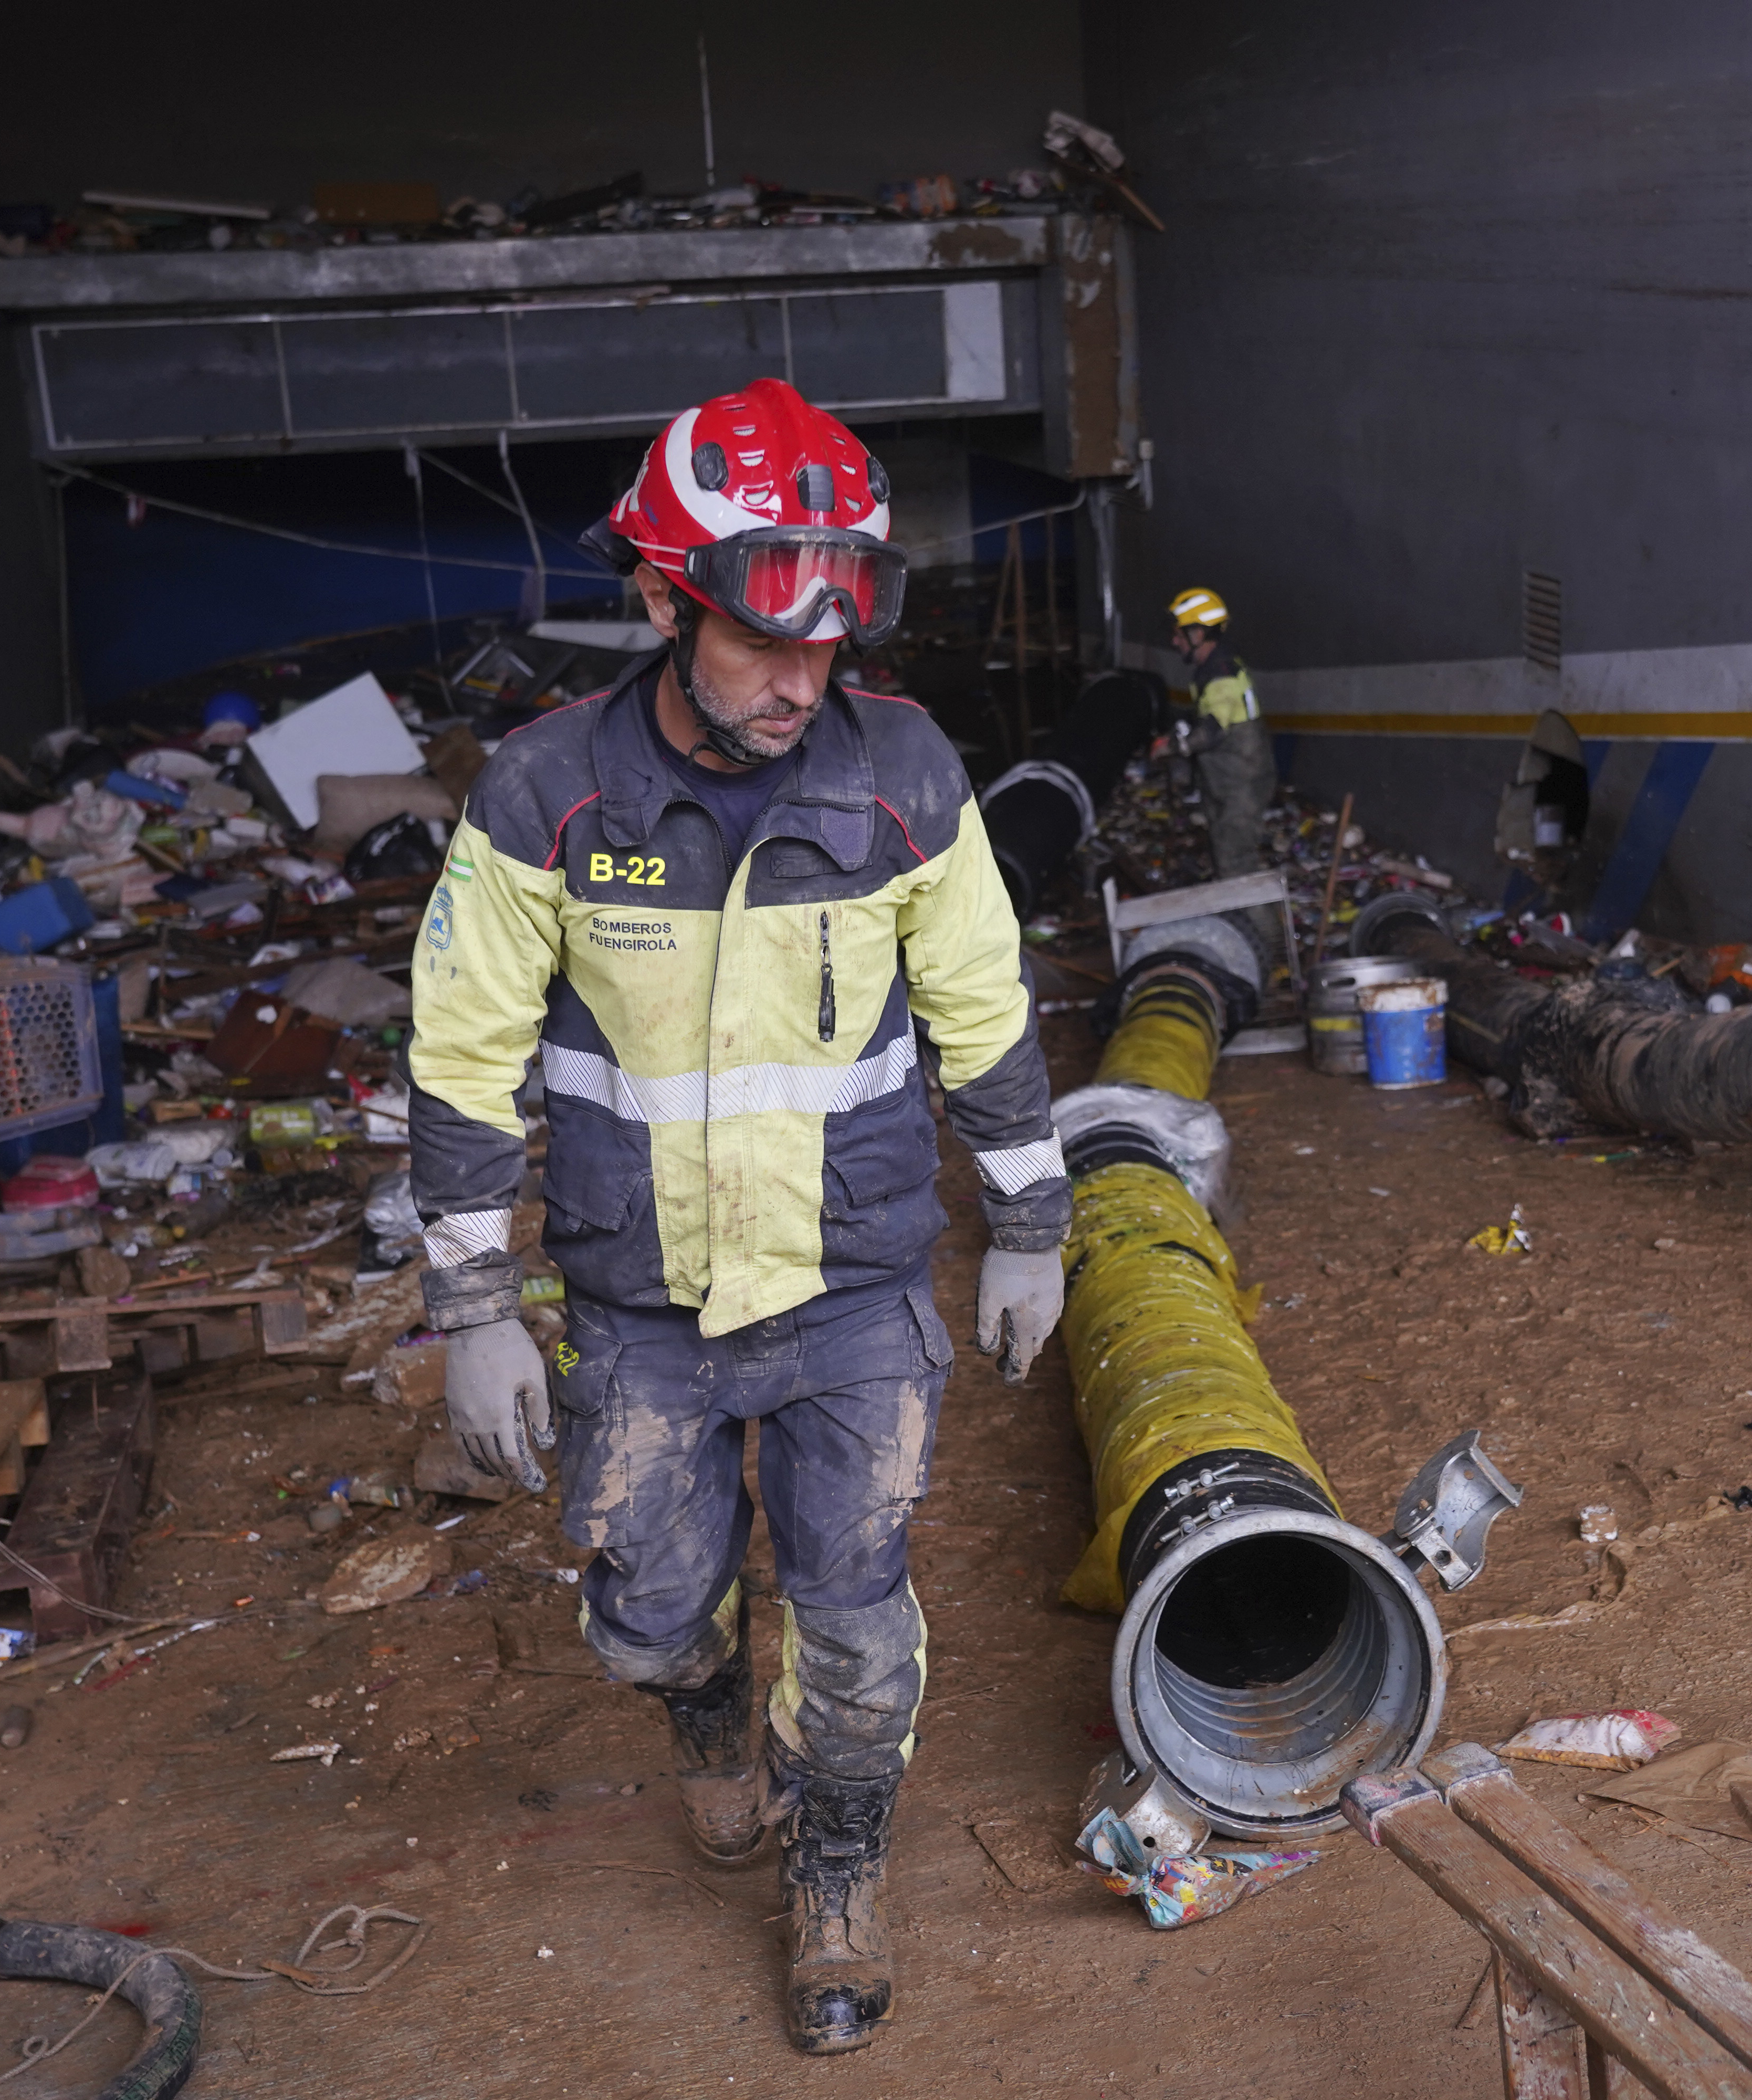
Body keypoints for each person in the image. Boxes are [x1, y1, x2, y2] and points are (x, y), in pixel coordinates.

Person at [404, 377, 1070, 2056]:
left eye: (829, 645)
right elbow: (466, 1054)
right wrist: (473, 1310)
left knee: (856, 1609)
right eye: (765, 642)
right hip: (642, 1310)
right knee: (648, 1609)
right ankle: (707, 1725)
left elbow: (982, 1010)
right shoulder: (547, 797)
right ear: (659, 599)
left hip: (850, 1287)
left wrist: (1030, 1219)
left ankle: (837, 1869)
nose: (802, 683)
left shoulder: (903, 775)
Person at [1168, 585, 1269, 880]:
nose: (1174, 641)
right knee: (1223, 858)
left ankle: (1265, 929)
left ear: (1198, 635)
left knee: (1237, 865)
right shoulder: (1211, 670)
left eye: (1179, 633)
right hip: (1227, 781)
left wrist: (1174, 747)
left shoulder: (1222, 675)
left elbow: (1211, 731)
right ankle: (1236, 922)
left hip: (1242, 787)